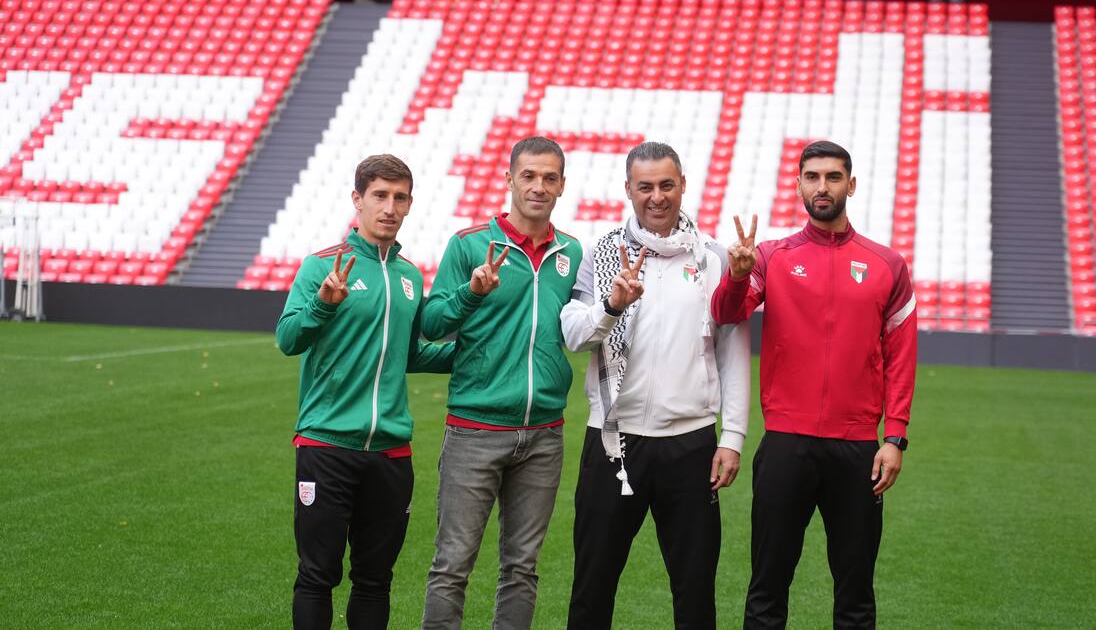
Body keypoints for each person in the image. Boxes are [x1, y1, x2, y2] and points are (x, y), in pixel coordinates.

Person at [710, 140, 918, 629]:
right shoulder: (770, 256)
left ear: (851, 184)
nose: (821, 187)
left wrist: (895, 436)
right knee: (767, 588)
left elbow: (901, 357)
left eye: (831, 177)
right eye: (811, 177)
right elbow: (726, 312)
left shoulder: (888, 265)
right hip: (786, 445)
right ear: (799, 184)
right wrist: (737, 277)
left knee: (855, 594)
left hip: (858, 450)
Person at [560, 141, 751, 629]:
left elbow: (732, 351)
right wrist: (612, 306)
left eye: (667, 185)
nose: (657, 196)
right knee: (592, 586)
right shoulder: (603, 252)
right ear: (628, 189)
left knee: (694, 593)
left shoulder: (712, 258)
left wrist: (732, 437)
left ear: (683, 185)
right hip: (612, 441)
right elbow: (575, 334)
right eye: (645, 186)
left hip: (690, 444)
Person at [276, 154, 456, 630]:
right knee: (317, 575)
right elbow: (288, 339)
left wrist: (470, 357)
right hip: (326, 445)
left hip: (391, 454)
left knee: (376, 579)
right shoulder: (322, 267)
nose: (389, 208)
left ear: (410, 204)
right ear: (358, 200)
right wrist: (322, 305)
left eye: (399, 198)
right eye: (379, 196)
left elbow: (409, 354)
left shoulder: (411, 276)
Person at [420, 136, 583, 629]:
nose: (539, 186)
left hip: (544, 435)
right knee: (452, 566)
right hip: (475, 429)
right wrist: (471, 293)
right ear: (508, 178)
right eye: (529, 175)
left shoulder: (571, 252)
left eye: (549, 177)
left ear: (561, 185)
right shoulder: (470, 244)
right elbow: (431, 324)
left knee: (522, 568)